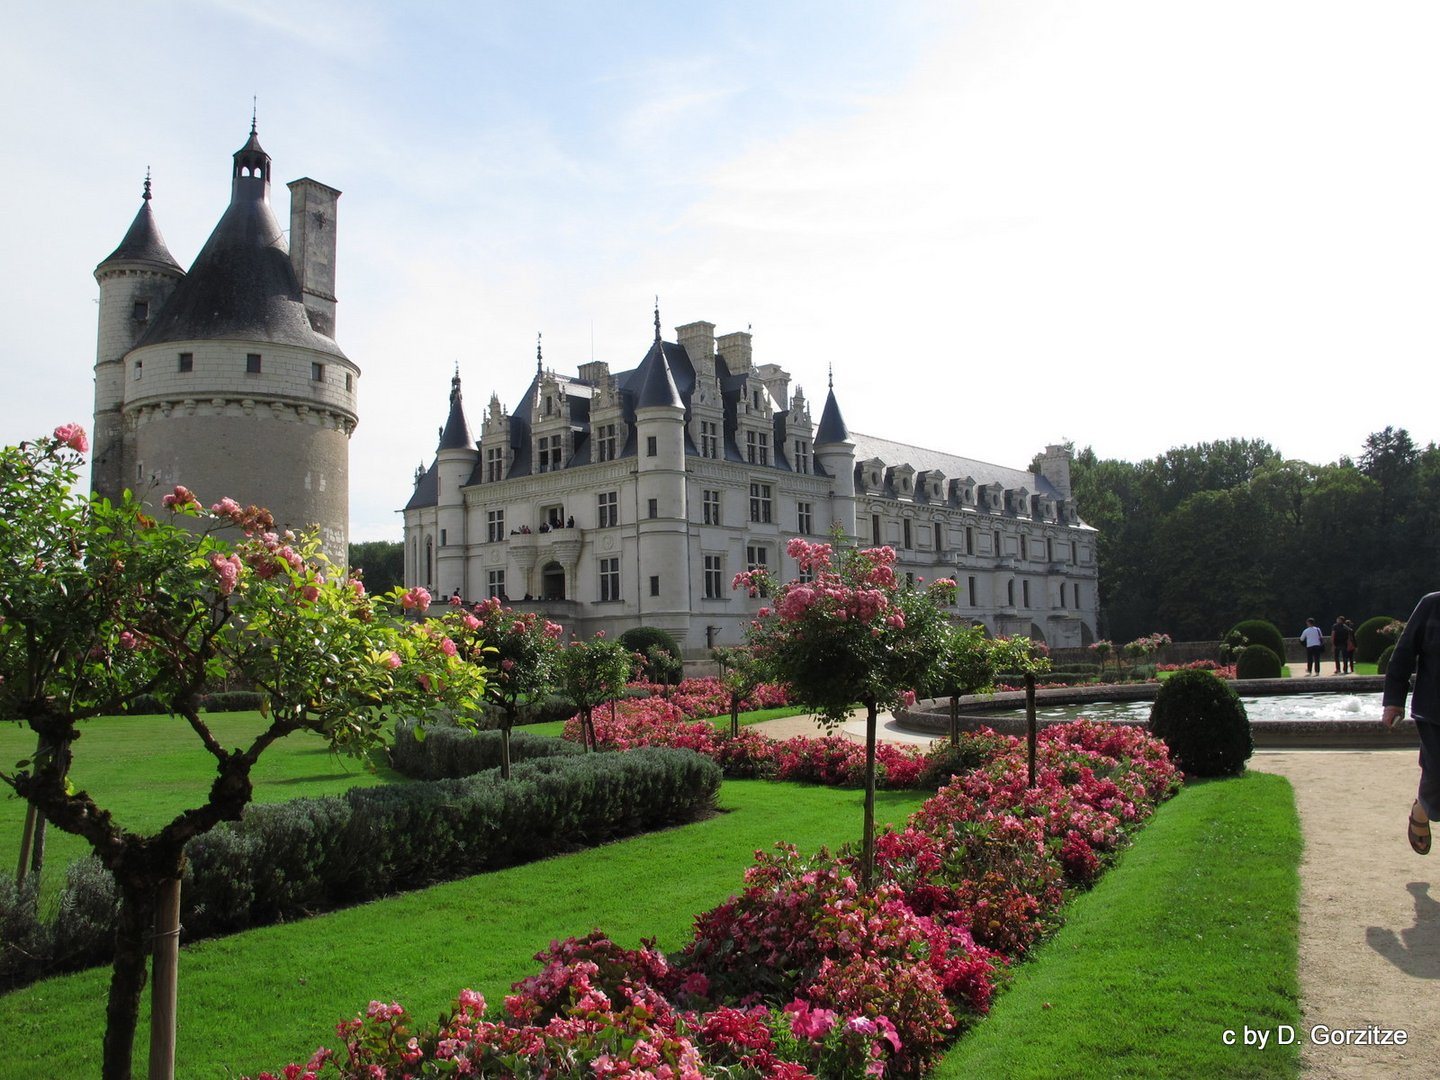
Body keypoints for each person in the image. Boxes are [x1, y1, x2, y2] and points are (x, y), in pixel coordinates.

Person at [1382, 592, 1439, 856]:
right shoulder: (1432, 605)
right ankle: (1422, 808)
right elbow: (1403, 654)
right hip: (1434, 711)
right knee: (1438, 771)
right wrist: (1394, 701)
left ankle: (1423, 806)